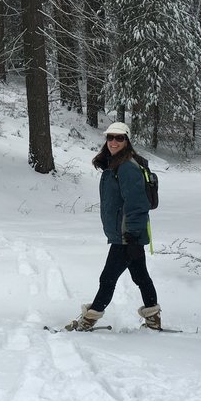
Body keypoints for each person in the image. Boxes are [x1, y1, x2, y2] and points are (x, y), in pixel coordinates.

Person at [66, 122, 161, 331]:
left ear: (127, 141)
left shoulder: (127, 166)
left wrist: (133, 237)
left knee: (107, 278)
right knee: (140, 275)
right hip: (126, 233)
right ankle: (153, 318)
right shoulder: (114, 164)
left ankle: (88, 320)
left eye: (119, 138)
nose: (114, 142)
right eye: (110, 137)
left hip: (127, 235)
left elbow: (137, 204)